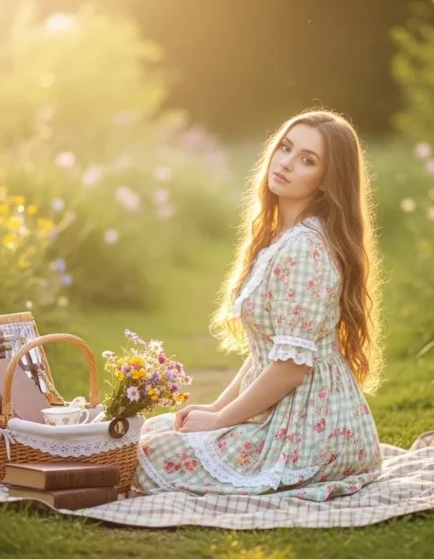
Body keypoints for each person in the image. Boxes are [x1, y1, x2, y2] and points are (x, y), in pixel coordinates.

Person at [132, 109, 385, 501]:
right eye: (285, 148)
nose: (286, 162)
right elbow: (269, 352)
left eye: (307, 160)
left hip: (310, 430)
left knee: (144, 455)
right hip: (283, 412)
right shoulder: (281, 238)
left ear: (326, 180)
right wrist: (217, 408)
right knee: (149, 431)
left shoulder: (304, 249)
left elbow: (289, 369)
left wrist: (220, 419)